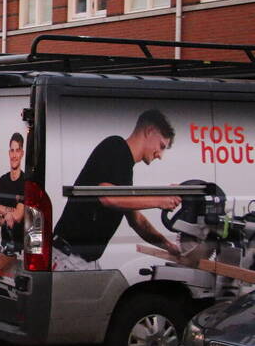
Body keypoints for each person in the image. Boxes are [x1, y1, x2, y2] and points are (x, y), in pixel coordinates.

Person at [53, 109, 181, 271]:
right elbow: (107, 197)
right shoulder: (115, 147)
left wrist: (169, 246)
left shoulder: (125, 168)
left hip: (84, 261)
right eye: (161, 146)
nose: (160, 155)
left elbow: (138, 222)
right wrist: (160, 200)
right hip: (68, 257)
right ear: (149, 131)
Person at [0, 132, 26, 278]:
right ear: (9, 153)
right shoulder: (3, 180)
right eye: (12, 150)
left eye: (17, 150)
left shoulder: (25, 182)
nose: (14, 155)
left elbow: (19, 216)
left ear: (22, 153)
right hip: (4, 248)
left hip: (20, 252)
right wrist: (4, 218)